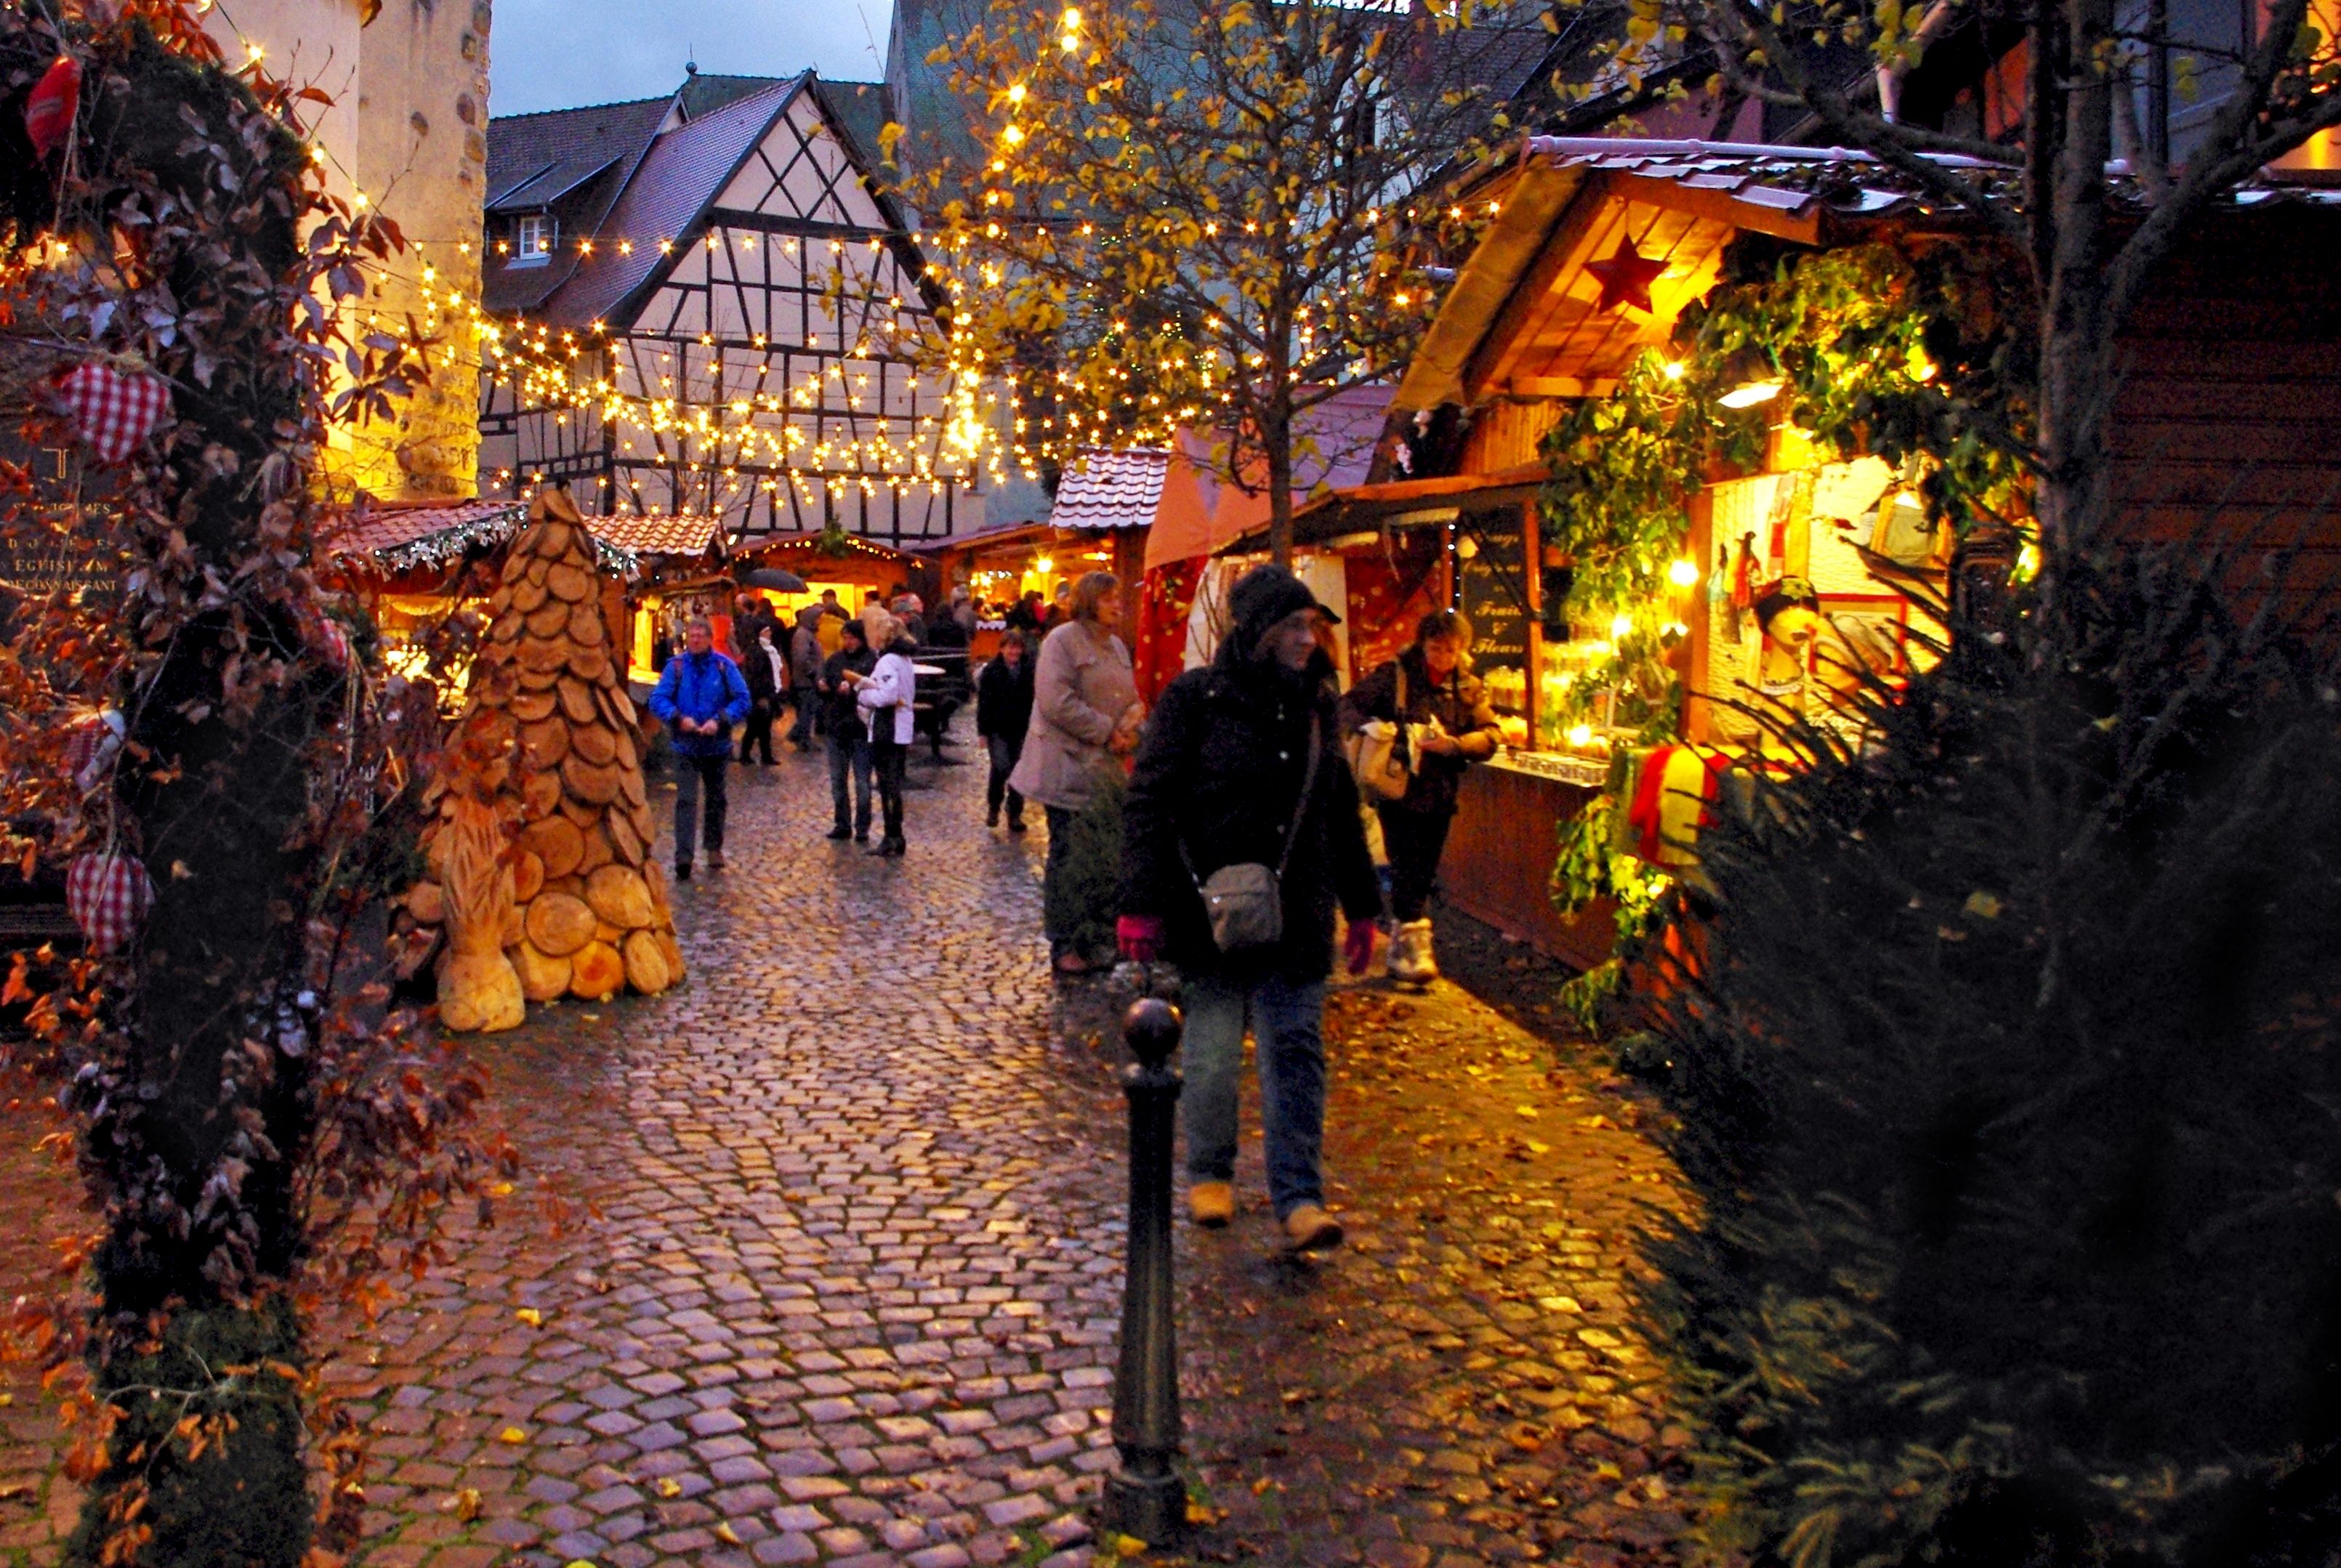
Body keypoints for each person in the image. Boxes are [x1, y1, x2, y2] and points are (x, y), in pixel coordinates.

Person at [1118, 564, 1380, 1252]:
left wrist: (1365, 907)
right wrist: (1141, 905)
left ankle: (1299, 1197)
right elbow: (1148, 801)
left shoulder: (1318, 702)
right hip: (1212, 912)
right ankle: (1210, 1174)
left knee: (1295, 1051)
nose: (1307, 637)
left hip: (1296, 911)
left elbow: (1338, 812)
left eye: (1311, 625)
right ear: (1258, 630)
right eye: (1294, 625)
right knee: (1207, 1053)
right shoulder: (1194, 701)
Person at [1339, 610, 1502, 983]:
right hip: (1399, 788)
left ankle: (1403, 942)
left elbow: (1491, 733)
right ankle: (1416, 944)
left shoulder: (1467, 687)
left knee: (1424, 868)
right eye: (1435, 648)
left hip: (1441, 790)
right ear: (1421, 645)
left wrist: (1455, 745)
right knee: (1405, 864)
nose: (1443, 658)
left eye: (1451, 650)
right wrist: (1375, 728)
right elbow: (1347, 706)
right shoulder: (1395, 677)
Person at [1010, 571, 1142, 974]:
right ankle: (1065, 941)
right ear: (1089, 602)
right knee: (1069, 859)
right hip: (1066, 767)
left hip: (1104, 773)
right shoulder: (1061, 642)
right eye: (1109, 599)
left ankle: (1097, 938)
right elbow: (1056, 701)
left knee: (1103, 856)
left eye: (1119, 597)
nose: (1118, 605)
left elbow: (1129, 695)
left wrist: (1133, 722)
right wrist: (1106, 732)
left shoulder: (1116, 646)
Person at [648, 617, 749, 878]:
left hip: (716, 746)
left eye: (699, 637)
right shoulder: (677, 667)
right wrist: (677, 717)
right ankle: (684, 856)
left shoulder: (723, 667)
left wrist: (721, 720)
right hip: (686, 745)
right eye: (691, 636)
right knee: (686, 800)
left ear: (708, 639)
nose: (694, 640)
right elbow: (658, 698)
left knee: (716, 799)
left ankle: (714, 847)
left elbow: (742, 699)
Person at [844, 613, 918, 857]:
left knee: (887, 784)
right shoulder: (905, 660)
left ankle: (891, 835)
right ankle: (896, 834)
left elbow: (886, 696)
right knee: (893, 783)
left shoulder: (888, 662)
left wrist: (864, 696)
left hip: (888, 727)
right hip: (901, 727)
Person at [818, 618, 877, 841]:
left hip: (860, 729)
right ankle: (842, 824)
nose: (848, 641)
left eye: (851, 637)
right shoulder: (835, 659)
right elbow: (826, 683)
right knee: (838, 781)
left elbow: (873, 688)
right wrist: (824, 686)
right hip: (837, 728)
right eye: (845, 637)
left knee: (863, 783)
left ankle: (862, 827)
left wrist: (852, 691)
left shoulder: (870, 661)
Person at [975, 629, 1036, 832]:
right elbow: (984, 703)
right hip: (997, 728)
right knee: (1000, 767)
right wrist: (982, 732)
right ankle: (994, 806)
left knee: (1020, 771)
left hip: (1021, 728)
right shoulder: (992, 671)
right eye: (1011, 647)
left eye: (1018, 647)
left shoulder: (1028, 669)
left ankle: (1015, 812)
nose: (1015, 652)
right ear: (1002, 648)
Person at [737, 621, 782, 766]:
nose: (770, 633)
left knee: (762, 727)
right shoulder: (757, 652)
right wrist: (763, 696)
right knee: (756, 726)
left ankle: (764, 755)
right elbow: (757, 676)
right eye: (767, 631)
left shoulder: (765, 650)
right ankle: (747, 755)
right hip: (759, 695)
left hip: (764, 693)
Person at [788, 604, 825, 751]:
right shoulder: (803, 635)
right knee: (807, 710)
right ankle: (802, 738)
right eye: (818, 619)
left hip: (808, 680)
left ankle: (799, 736)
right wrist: (812, 672)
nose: (819, 622)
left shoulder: (808, 634)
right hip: (805, 681)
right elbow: (801, 658)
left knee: (808, 710)